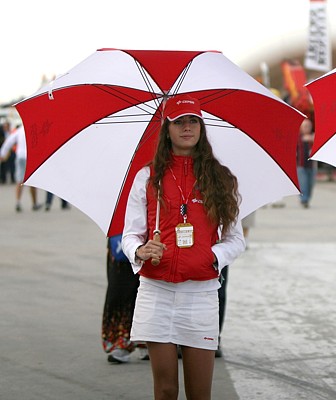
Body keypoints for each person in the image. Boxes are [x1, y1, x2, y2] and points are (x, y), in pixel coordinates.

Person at [122, 94, 245, 400]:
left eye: (193, 121)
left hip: (201, 294)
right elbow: (129, 235)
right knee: (165, 390)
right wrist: (140, 251)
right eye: (179, 122)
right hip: (156, 292)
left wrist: (211, 256)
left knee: (199, 393)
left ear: (202, 128)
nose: (187, 127)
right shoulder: (148, 177)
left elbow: (236, 240)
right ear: (167, 129)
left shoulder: (221, 178)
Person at [102, 234, 148, 363]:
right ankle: (120, 341)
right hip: (122, 238)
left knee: (151, 292)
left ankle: (147, 341)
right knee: (119, 290)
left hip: (160, 236)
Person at [0, 125, 42, 212]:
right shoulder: (34, 128)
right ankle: (34, 203)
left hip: (20, 156)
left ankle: (18, 202)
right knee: (31, 180)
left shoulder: (19, 130)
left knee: (20, 180)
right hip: (30, 156)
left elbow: (9, 141)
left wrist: (2, 154)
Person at [297, 116, 317, 208]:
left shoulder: (313, 137)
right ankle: (303, 200)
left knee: (310, 184)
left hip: (312, 165)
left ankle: (307, 198)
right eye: (305, 126)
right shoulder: (298, 137)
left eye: (308, 126)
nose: (307, 128)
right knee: (303, 183)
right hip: (301, 164)